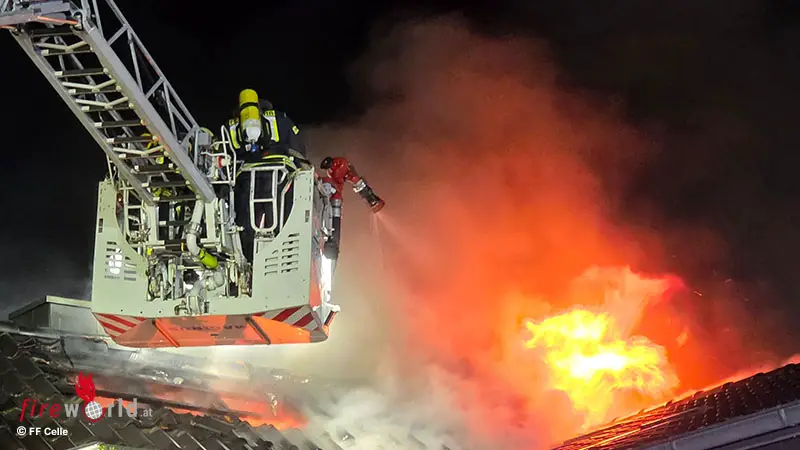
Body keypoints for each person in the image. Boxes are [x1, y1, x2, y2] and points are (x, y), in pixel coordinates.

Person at [227, 89, 310, 262]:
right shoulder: (281, 119)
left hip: (246, 178)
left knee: (245, 223)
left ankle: (247, 261)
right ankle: (281, 257)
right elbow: (298, 147)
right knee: (281, 220)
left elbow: (225, 154)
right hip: (280, 176)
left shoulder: (233, 124)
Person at [320, 156, 385, 259]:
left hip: (340, 190)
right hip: (337, 192)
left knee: (358, 183)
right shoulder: (333, 171)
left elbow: (345, 174)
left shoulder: (339, 165)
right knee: (357, 184)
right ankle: (371, 199)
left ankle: (372, 200)